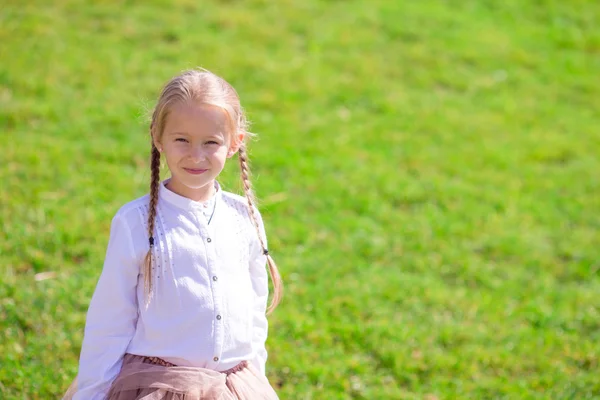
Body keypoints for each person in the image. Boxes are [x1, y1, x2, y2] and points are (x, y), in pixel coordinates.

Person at [63, 68, 283, 400]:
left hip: (235, 387)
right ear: (158, 137)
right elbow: (110, 323)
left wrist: (257, 382)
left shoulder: (244, 217)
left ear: (236, 142)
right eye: (182, 140)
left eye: (211, 142)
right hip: (159, 387)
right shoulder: (135, 222)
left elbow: (254, 314)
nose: (196, 155)